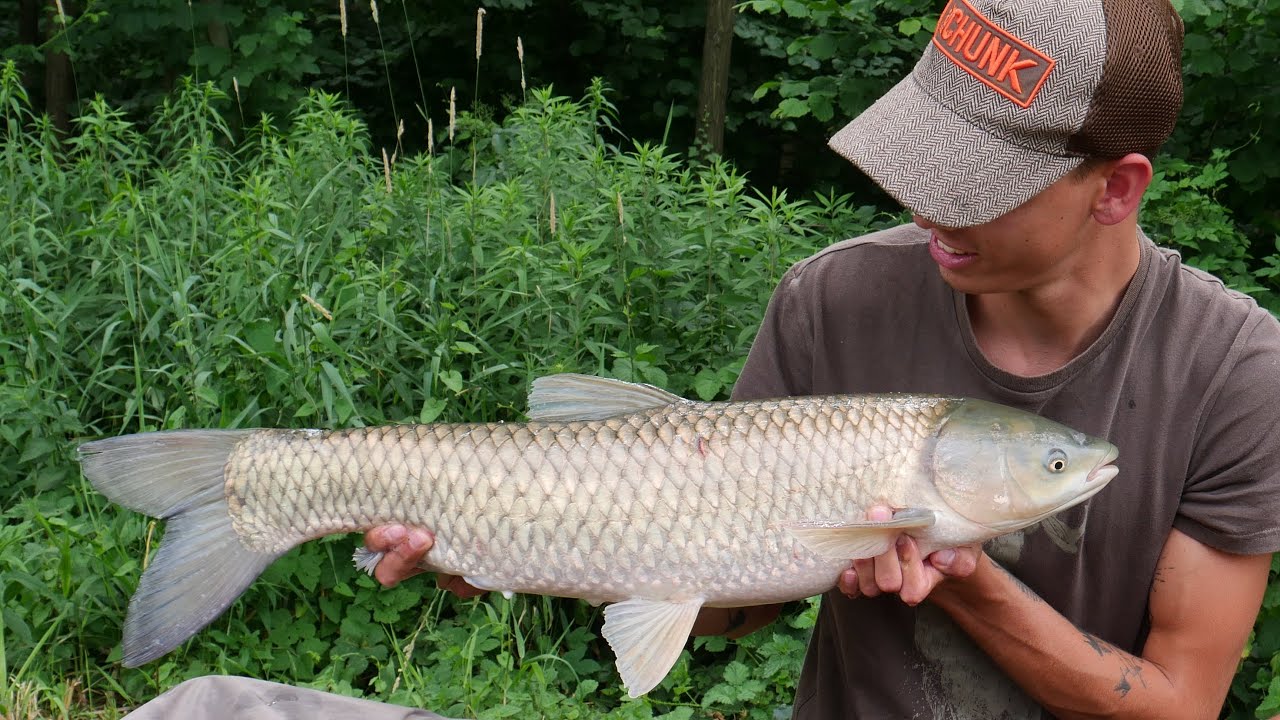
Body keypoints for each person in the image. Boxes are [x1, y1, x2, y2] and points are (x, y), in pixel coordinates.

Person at [368, 0, 1280, 717]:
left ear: (1115, 189)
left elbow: (1176, 707)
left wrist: (960, 581)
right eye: (923, 157)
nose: (924, 203)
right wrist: (532, 540)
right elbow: (731, 602)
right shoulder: (835, 298)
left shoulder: (1236, 373)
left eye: (972, 182)